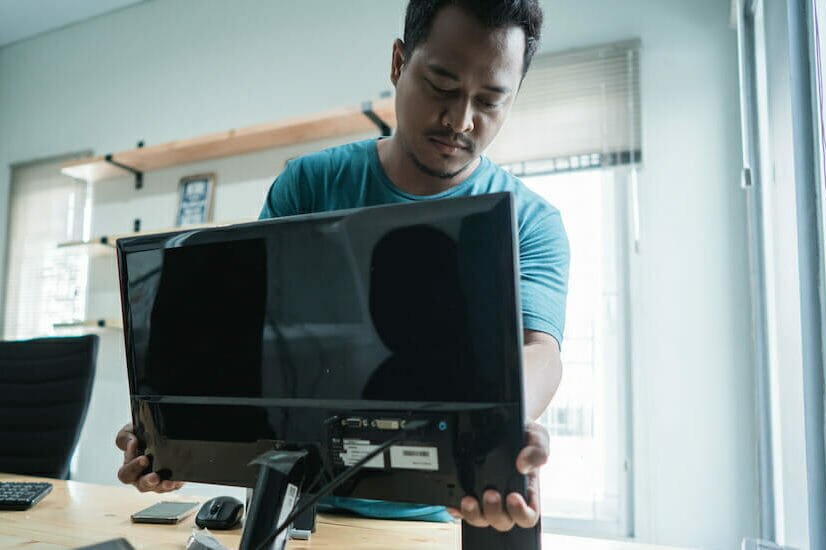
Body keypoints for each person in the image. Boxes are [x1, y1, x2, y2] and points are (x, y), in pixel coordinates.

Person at [115, 0, 568, 534]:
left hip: (442, 516)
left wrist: (508, 423)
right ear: (399, 63)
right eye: (442, 86)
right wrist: (175, 433)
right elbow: (245, 339)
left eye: (491, 101)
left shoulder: (531, 220)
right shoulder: (309, 185)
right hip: (301, 510)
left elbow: (540, 351)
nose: (461, 120)